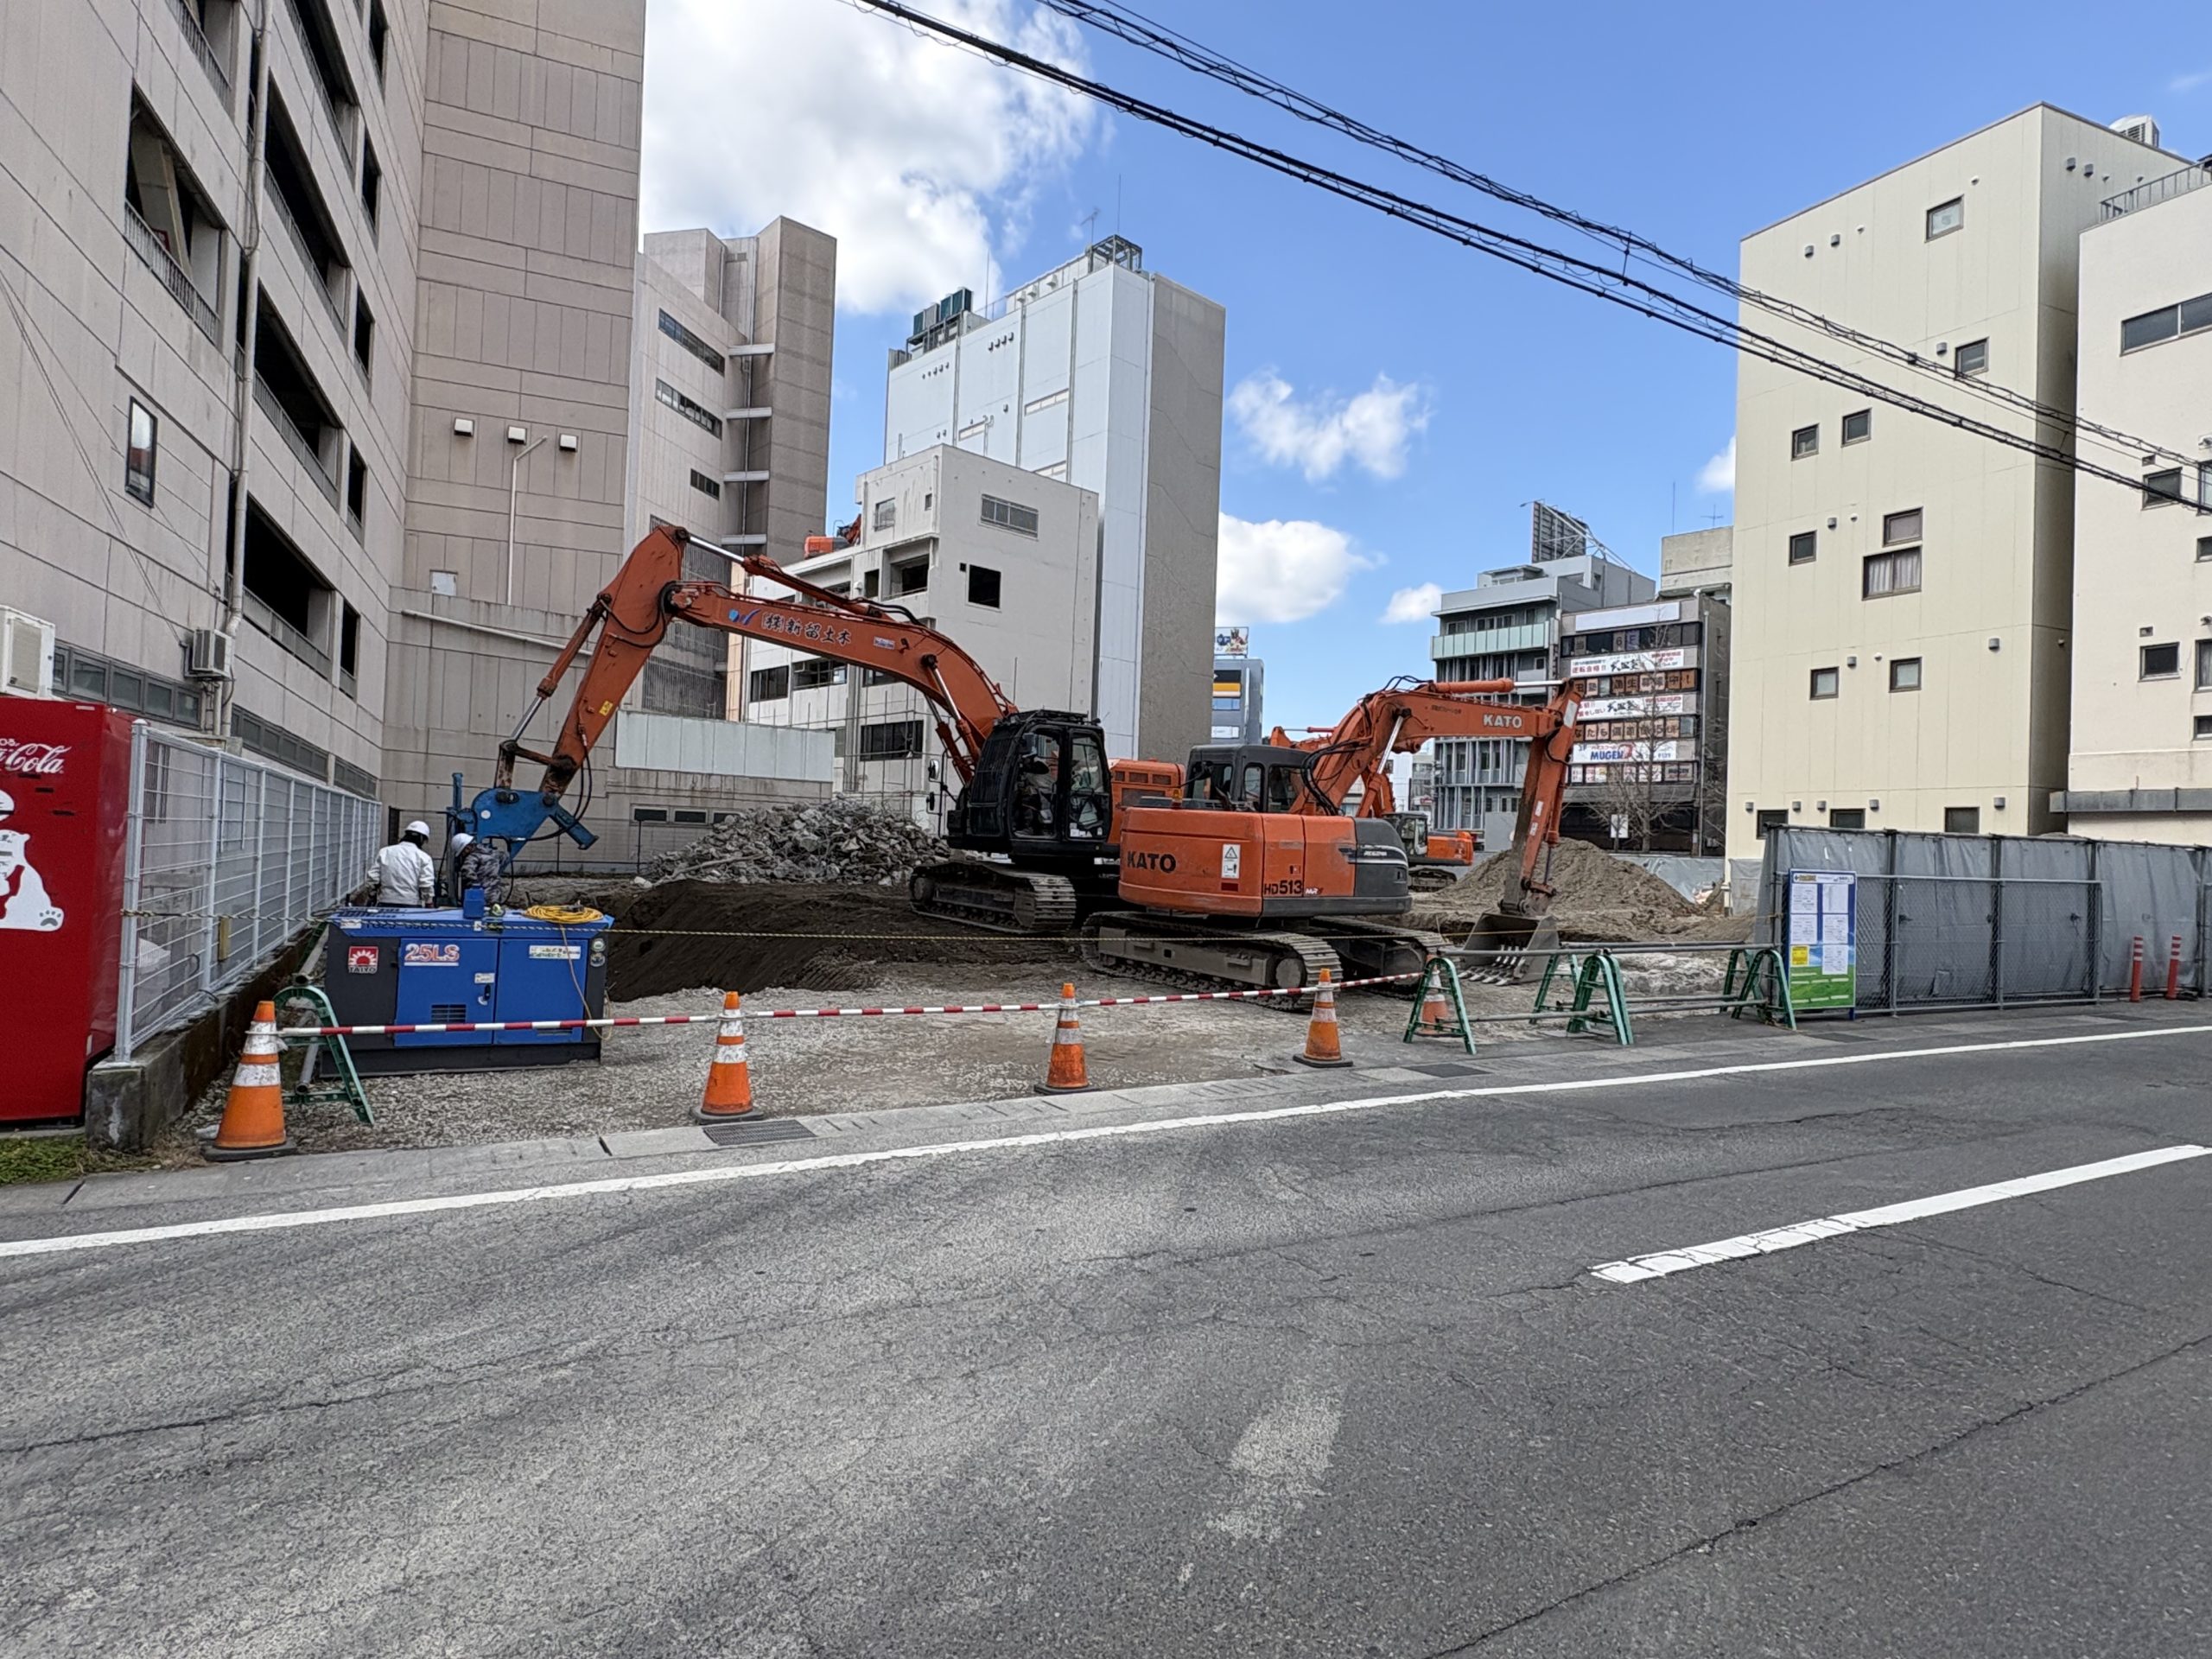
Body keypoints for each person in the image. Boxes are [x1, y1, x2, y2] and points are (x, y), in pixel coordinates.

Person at [369, 821, 435, 907]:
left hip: (385, 901)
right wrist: (429, 902)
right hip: (411, 903)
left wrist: (372, 894)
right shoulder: (424, 857)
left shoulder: (385, 852)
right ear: (421, 839)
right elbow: (426, 884)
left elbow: (373, 878)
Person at [449, 831, 507, 909]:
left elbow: (467, 873)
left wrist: (474, 886)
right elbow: (505, 857)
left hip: (482, 897)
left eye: (462, 852)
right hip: (495, 895)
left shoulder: (472, 857)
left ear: (467, 848)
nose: (463, 855)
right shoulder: (493, 853)